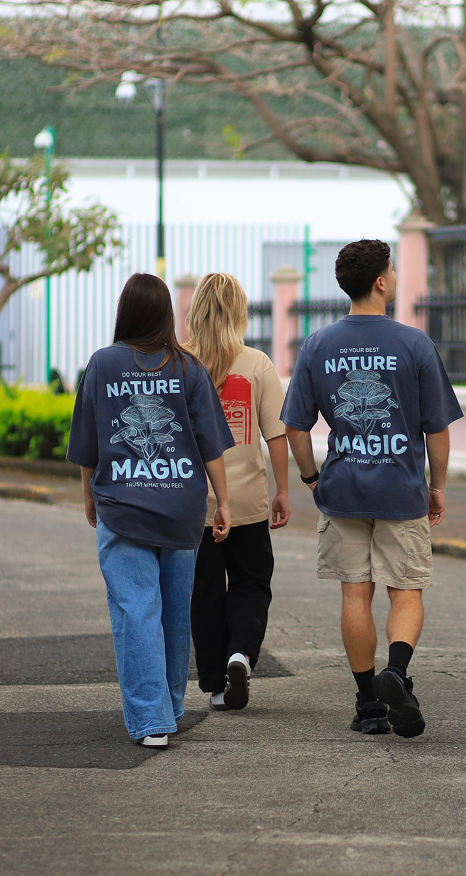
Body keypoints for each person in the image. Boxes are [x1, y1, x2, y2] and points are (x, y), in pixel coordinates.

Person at [282, 239, 463, 738]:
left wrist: (310, 476)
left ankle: (368, 705)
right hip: (401, 488)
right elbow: (438, 428)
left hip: (343, 489)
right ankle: (397, 674)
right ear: (380, 282)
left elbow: (295, 425)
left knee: (354, 595)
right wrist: (438, 486)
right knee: (406, 590)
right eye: (393, 269)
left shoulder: (318, 344)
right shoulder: (414, 344)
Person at [67, 273, 234, 747]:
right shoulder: (189, 368)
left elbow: (88, 444)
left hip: (123, 507)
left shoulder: (102, 365)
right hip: (182, 507)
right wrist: (223, 502)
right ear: (166, 314)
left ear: (125, 311)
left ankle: (152, 720)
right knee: (175, 611)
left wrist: (88, 496)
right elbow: (211, 445)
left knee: (136, 608)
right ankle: (171, 707)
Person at [185, 272, 290, 711]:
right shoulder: (257, 363)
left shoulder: (180, 361)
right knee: (251, 582)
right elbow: (277, 434)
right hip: (246, 502)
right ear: (240, 312)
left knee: (204, 592)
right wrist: (283, 489)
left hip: (193, 505)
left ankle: (214, 683)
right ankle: (240, 654)